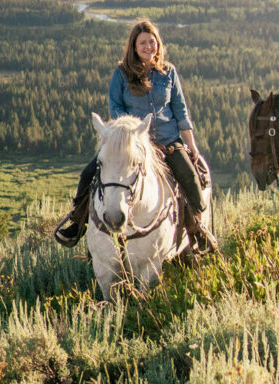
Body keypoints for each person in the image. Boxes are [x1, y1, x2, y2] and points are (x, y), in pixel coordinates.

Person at [55, 18, 216, 252]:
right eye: (143, 43)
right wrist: (134, 132)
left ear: (158, 44)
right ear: (134, 46)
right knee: (88, 174)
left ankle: (197, 231)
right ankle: (77, 224)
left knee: (190, 179)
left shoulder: (169, 72)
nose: (148, 47)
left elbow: (180, 111)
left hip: (168, 142)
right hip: (133, 143)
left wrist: (191, 145)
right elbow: (116, 108)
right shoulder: (121, 73)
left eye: (152, 42)